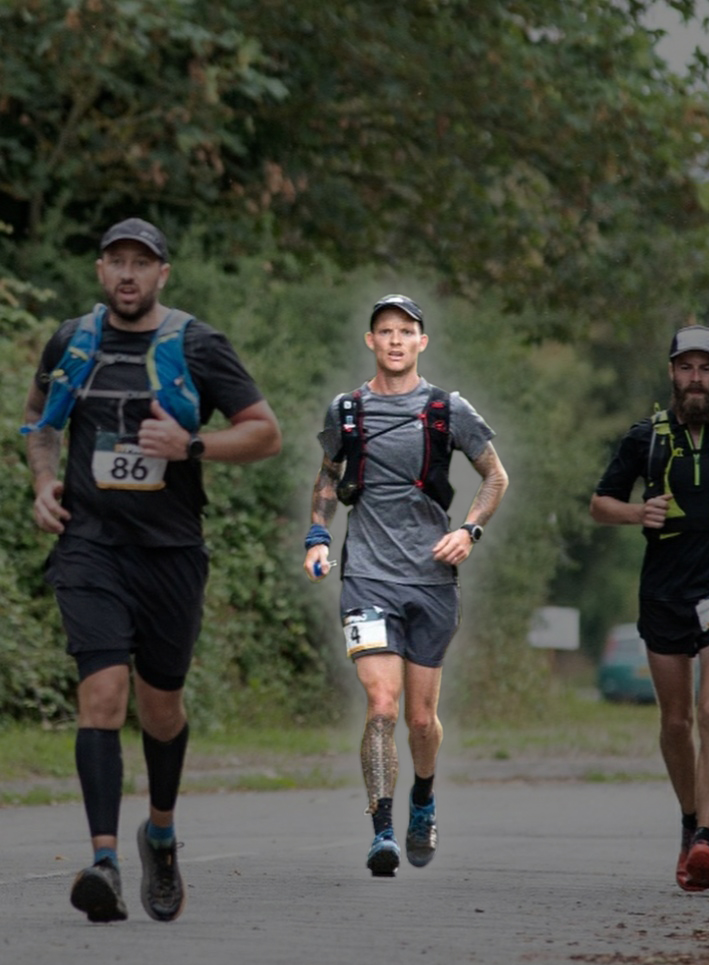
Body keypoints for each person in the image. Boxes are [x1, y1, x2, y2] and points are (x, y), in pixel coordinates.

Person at [21, 218, 282, 922]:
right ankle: (102, 860)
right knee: (101, 696)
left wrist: (192, 444)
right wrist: (44, 482)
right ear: (100, 271)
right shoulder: (72, 339)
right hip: (90, 545)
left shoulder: (197, 344)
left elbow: (265, 430)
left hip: (170, 551)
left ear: (163, 273)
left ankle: (159, 836)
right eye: (116, 262)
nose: (128, 274)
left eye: (142, 262)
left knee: (160, 706)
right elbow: (41, 420)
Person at [304, 294, 508, 876]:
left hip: (431, 581)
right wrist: (317, 537)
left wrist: (468, 531)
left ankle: (423, 797)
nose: (395, 340)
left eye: (406, 331)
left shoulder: (447, 410)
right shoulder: (346, 410)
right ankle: (382, 831)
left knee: (421, 721)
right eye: (384, 331)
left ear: (423, 342)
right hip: (367, 575)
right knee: (381, 703)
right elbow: (328, 476)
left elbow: (495, 476)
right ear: (370, 341)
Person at [589, 325, 709, 892]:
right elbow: (600, 504)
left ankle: (706, 839)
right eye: (685, 368)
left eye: (706, 368)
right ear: (672, 374)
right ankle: (687, 820)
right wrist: (636, 514)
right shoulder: (644, 437)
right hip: (664, 586)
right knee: (675, 722)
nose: (695, 379)